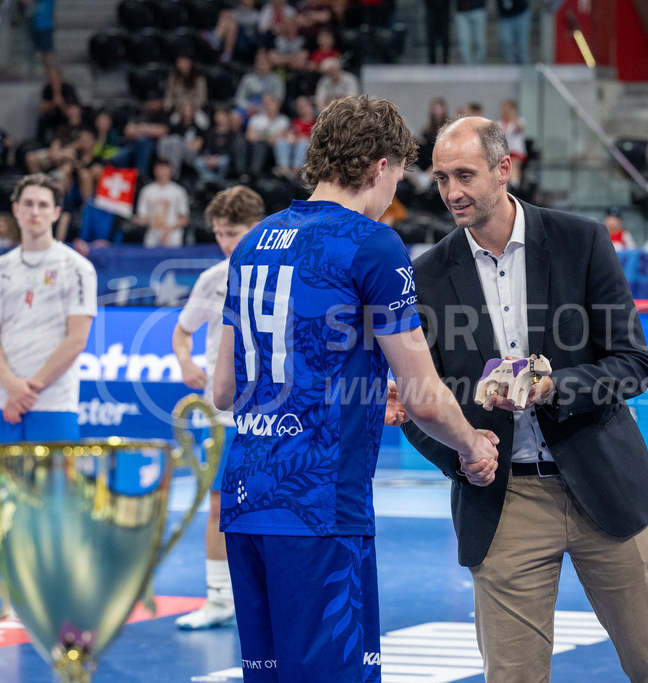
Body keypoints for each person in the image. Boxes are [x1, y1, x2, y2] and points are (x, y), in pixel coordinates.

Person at [211, 95, 499, 682]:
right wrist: (472, 445)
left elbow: (222, 388)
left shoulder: (252, 242)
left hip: (246, 497)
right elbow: (420, 391)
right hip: (319, 505)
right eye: (399, 173)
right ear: (381, 166)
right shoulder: (372, 243)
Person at [399, 116, 648, 683]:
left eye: (465, 174)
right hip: (503, 504)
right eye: (440, 179)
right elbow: (417, 401)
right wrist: (461, 455)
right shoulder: (426, 276)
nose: (452, 192)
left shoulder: (579, 241)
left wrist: (557, 387)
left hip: (605, 487)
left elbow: (634, 364)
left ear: (504, 169)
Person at [0, 173, 98, 620]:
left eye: (44, 204)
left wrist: (29, 390)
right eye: (28, 203)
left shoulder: (77, 267)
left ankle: (52, 592)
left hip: (53, 402)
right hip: (0, 400)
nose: (35, 211)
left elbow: (76, 338)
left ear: (57, 211)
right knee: (0, 500)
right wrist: (9, 384)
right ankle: (3, 592)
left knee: (53, 500)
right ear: (16, 208)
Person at [172, 186, 265, 631]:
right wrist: (187, 362)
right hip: (222, 416)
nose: (227, 242)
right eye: (220, 233)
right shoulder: (211, 279)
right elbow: (181, 332)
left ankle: (264, 595)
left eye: (234, 232)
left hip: (269, 412)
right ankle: (217, 597)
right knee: (217, 505)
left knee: (271, 503)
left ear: (256, 228)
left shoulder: (276, 274)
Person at [133, 157, 190, 247]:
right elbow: (143, 216)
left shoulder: (178, 191)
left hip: (173, 235)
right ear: (155, 170)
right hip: (153, 234)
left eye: (164, 169)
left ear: (170, 170)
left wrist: (168, 229)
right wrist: (138, 220)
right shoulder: (147, 191)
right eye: (159, 169)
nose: (161, 172)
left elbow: (184, 219)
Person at [497, 0, 530, 65]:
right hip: (505, 16)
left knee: (522, 44)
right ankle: (511, 64)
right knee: (505, 41)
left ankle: (524, 67)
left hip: (521, 13)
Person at [454, 0, 486, 65]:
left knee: (480, 42)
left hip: (478, 9)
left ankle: (480, 69)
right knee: (464, 43)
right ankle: (467, 69)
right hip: (461, 11)